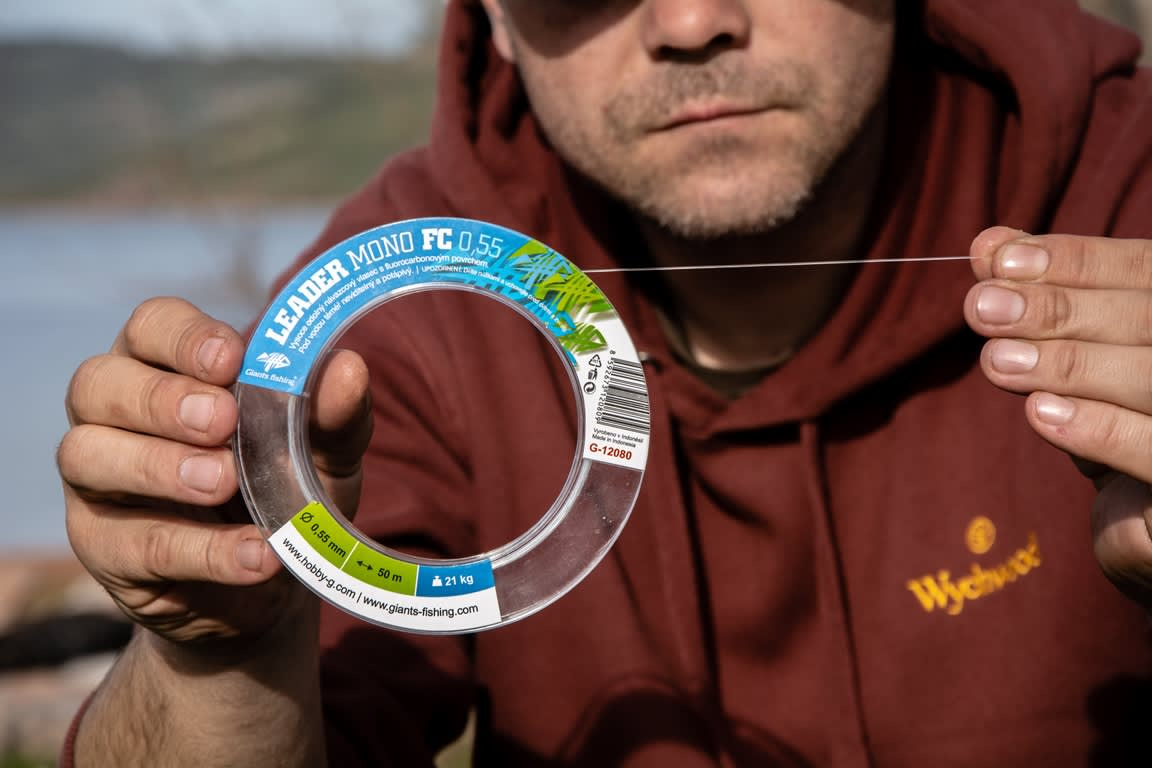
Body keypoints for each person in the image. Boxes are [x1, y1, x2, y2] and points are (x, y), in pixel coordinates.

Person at [56, 0, 1152, 765]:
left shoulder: (1131, 195)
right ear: (491, 13)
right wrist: (220, 662)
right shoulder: (394, 314)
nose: (690, 20)